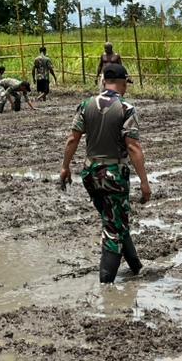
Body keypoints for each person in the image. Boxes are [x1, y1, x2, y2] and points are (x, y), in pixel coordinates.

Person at [59, 62, 151, 283]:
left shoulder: (85, 105)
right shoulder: (126, 108)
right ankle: (106, 283)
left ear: (103, 81)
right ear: (121, 83)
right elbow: (133, 147)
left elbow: (73, 139)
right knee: (113, 226)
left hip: (90, 174)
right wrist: (145, 183)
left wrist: (65, 167)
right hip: (113, 175)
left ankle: (136, 267)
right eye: (126, 84)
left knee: (115, 218)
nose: (126, 88)